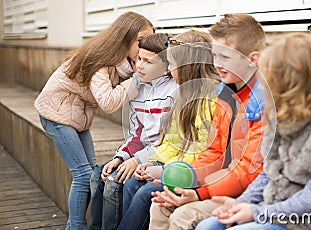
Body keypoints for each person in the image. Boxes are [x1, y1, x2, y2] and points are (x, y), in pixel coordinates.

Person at [196, 33, 311, 230]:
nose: (262, 84)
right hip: (275, 206)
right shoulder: (279, 116)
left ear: (292, 82)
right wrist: (240, 204)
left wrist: (256, 213)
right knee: (208, 226)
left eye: (269, 77)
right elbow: (268, 173)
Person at [34, 12, 153, 229]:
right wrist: (136, 77)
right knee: (82, 175)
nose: (144, 46)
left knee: (92, 175)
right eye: (140, 41)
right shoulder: (102, 61)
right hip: (56, 114)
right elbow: (108, 103)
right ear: (125, 38)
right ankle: (75, 226)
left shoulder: (124, 63)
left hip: (77, 116)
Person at [149, 13, 268, 229]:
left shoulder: (262, 103)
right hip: (220, 182)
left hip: (248, 192)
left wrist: (199, 192)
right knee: (159, 205)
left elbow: (248, 171)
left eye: (226, 57)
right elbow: (214, 152)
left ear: (252, 59)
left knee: (182, 216)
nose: (218, 64)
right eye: (215, 56)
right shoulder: (225, 95)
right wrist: (185, 177)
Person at [118, 30, 220, 230]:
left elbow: (204, 152)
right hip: (178, 165)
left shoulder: (212, 100)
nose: (170, 70)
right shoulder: (183, 94)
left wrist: (165, 171)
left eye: (172, 64)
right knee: (131, 184)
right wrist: (151, 163)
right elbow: (173, 141)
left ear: (187, 66)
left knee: (146, 193)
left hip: (196, 172)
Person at [89, 33, 177, 230]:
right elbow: (136, 134)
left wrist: (137, 160)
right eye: (138, 59)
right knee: (98, 175)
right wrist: (120, 158)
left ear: (166, 65)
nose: (139, 66)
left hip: (160, 156)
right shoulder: (138, 90)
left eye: (148, 61)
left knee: (115, 183)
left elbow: (168, 142)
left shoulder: (174, 92)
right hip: (140, 154)